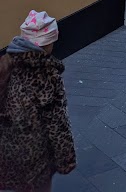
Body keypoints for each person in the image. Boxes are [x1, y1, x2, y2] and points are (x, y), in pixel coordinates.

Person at [0, 10, 76, 192]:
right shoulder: (46, 74)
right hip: (36, 154)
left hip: (8, 149)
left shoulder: (6, 63)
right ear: (47, 43)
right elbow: (57, 123)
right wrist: (66, 158)